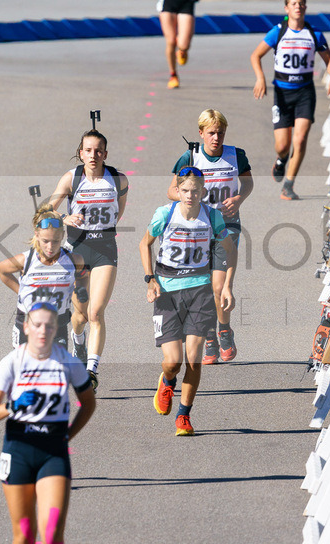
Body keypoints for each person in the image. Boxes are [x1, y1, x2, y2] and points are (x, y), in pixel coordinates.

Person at [0, 302, 96, 544]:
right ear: (26, 328)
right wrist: (13, 407)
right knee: (24, 533)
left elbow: (88, 402)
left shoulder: (68, 363)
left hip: (53, 453)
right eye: (38, 325)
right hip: (18, 450)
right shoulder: (12, 363)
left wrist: (69, 435)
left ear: (56, 330)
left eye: (49, 326)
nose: (43, 331)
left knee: (53, 528)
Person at [141, 167, 234, 435]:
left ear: (204, 191)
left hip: (200, 291)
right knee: (173, 362)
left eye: (195, 191)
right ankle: (168, 381)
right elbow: (144, 244)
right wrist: (150, 279)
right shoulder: (165, 214)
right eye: (185, 191)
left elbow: (230, 250)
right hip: (167, 293)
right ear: (177, 192)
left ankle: (183, 416)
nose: (190, 195)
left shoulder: (212, 216)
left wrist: (227, 285)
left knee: (193, 359)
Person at [167, 109, 253, 364]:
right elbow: (172, 190)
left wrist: (239, 197)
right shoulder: (190, 157)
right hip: (198, 230)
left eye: (220, 133)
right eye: (212, 133)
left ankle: (224, 331)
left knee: (219, 287)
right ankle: (210, 337)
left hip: (227, 225)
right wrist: (189, 197)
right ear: (201, 133)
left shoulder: (236, 155)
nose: (216, 138)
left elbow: (247, 183)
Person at [48, 129, 129, 390]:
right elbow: (44, 211)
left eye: (98, 151)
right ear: (80, 153)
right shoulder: (72, 179)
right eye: (88, 150)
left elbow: (119, 212)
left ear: (105, 153)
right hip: (77, 250)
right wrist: (65, 218)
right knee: (80, 317)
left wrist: (102, 229)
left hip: (105, 249)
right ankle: (78, 341)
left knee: (96, 312)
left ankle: (91, 371)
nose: (93, 155)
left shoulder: (118, 179)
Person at [251, 0, 330, 201]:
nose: (297, 7)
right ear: (286, 8)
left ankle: (288, 185)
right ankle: (281, 160)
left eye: (301, 3)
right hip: (282, 94)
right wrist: (260, 78)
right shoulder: (278, 32)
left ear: (305, 8)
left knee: (299, 141)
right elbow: (256, 55)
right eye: (293, 3)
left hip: (305, 94)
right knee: (283, 146)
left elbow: (329, 60)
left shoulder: (314, 34)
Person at [0, 204, 87, 350]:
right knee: (26, 369)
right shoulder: (26, 260)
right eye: (45, 241)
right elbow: (0, 269)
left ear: (62, 236)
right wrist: (21, 291)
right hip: (27, 321)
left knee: (56, 369)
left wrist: (81, 288)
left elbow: (83, 275)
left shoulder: (74, 260)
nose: (50, 247)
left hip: (57, 323)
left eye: (55, 241)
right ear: (37, 235)